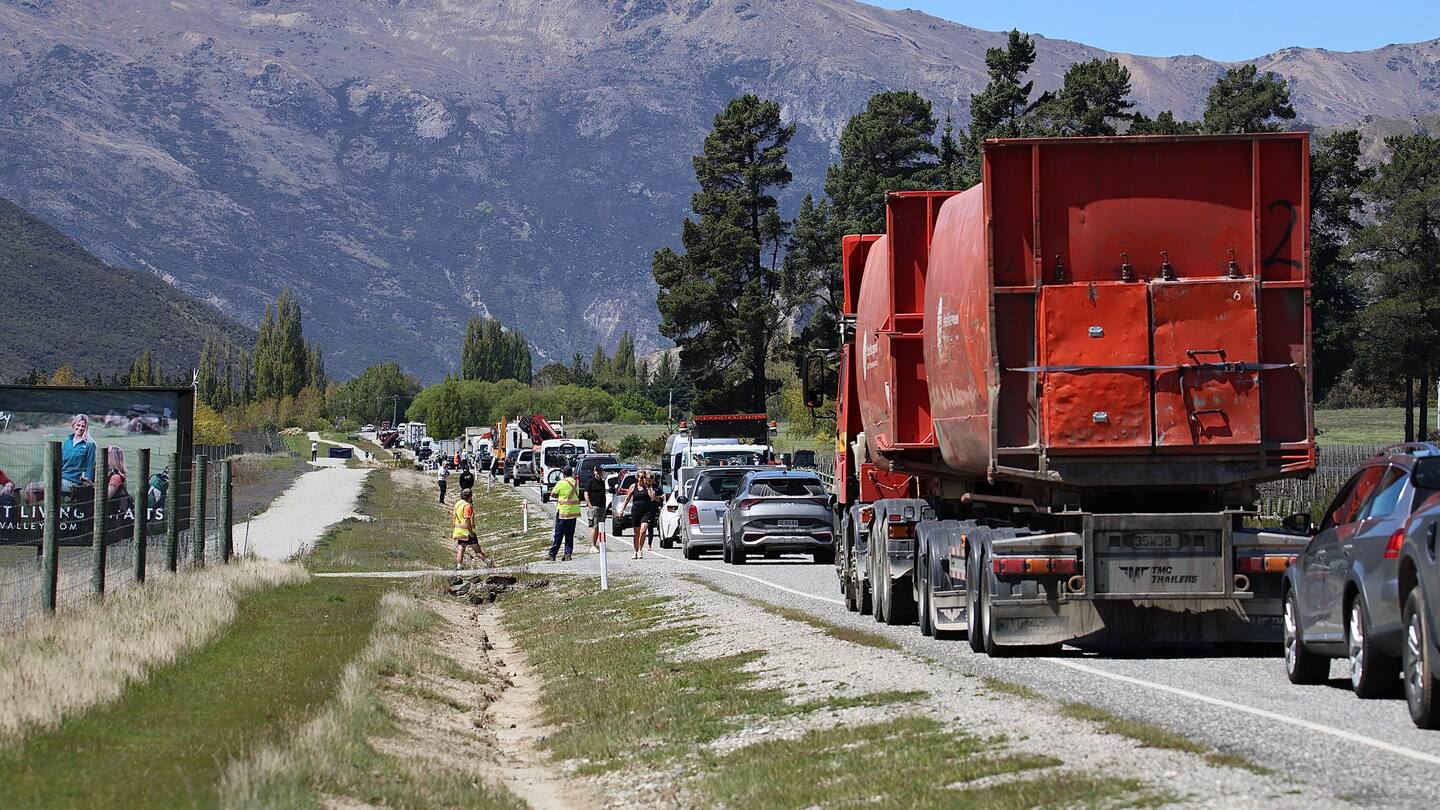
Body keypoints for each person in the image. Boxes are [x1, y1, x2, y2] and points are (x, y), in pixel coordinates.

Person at [28, 413, 95, 505]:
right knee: (32, 493)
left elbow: (90, 466)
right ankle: (38, 518)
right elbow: (62, 463)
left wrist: (86, 482)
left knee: (31, 488)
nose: (80, 428)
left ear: (86, 428)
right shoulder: (68, 440)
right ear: (73, 425)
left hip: (74, 483)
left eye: (83, 426)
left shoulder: (90, 444)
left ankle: (37, 519)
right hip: (61, 479)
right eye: (78, 425)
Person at [621, 470, 659, 559]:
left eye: (644, 477)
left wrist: (648, 487)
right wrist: (622, 510)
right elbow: (627, 499)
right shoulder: (633, 486)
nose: (643, 479)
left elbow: (652, 497)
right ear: (637, 478)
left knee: (643, 530)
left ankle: (640, 550)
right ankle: (635, 550)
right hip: (636, 511)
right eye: (641, 477)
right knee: (636, 532)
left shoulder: (648, 487)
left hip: (646, 511)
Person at [452, 488, 493, 570]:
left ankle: (459, 566)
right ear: (470, 496)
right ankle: (488, 563)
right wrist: (471, 532)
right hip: (467, 532)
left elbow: (454, 517)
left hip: (459, 531)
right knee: (477, 550)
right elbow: (467, 520)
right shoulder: (467, 506)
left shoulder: (457, 504)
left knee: (461, 548)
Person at [547, 466, 581, 562]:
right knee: (569, 535)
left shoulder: (561, 483)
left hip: (563, 512)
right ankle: (567, 554)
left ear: (563, 473)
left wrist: (559, 496)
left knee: (559, 534)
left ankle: (552, 554)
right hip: (573, 513)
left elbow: (553, 494)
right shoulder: (575, 483)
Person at [583, 465, 607, 551]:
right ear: (594, 472)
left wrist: (605, 505)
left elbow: (604, 494)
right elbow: (586, 494)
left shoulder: (602, 482)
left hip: (602, 507)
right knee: (594, 526)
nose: (598, 473)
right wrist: (589, 505)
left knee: (600, 527)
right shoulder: (590, 482)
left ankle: (597, 544)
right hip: (593, 506)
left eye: (600, 471)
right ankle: (592, 545)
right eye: (597, 471)